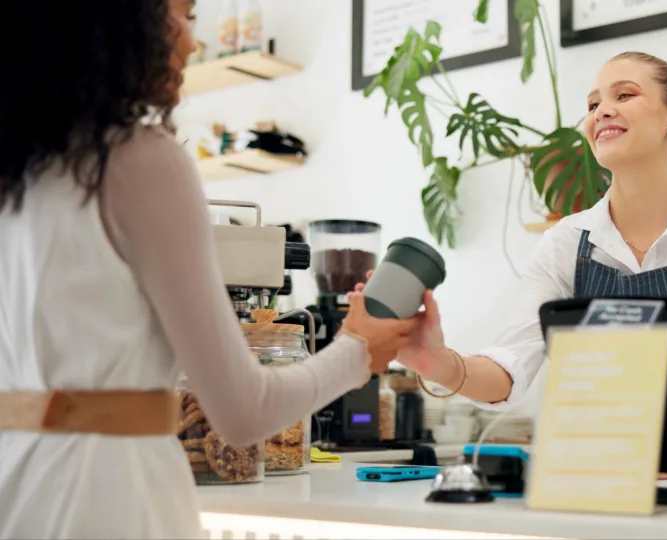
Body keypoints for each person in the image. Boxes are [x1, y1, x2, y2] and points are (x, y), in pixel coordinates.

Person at [0, 1, 420, 538]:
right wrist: (357, 351)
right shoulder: (139, 160)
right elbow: (244, 411)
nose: (192, 43)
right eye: (185, 16)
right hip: (110, 500)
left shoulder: (21, 177)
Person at [377, 51, 667, 481]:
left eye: (625, 94)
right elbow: (511, 366)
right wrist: (438, 362)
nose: (603, 110)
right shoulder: (565, 244)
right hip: (615, 491)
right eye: (592, 104)